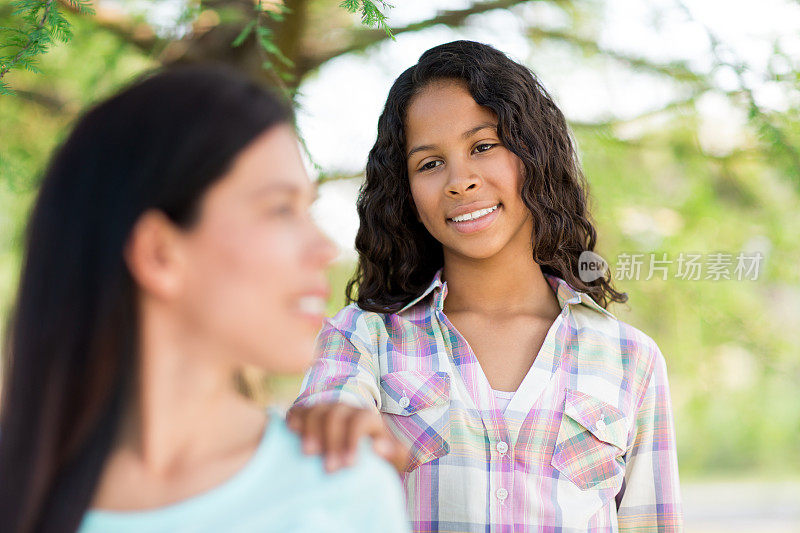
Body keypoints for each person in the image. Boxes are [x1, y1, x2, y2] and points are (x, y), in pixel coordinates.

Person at [288, 40, 683, 531]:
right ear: (405, 192)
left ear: (534, 154)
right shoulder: (363, 340)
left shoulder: (630, 361)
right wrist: (331, 425)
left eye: (483, 146)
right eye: (429, 163)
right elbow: (322, 419)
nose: (460, 180)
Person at [0, 64, 410, 533]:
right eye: (281, 209)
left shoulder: (343, 492)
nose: (325, 248)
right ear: (159, 253)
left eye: (309, 210)